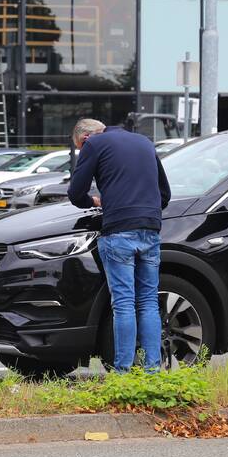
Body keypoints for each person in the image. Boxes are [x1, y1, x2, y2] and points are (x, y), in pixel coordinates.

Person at [67, 118, 171, 372]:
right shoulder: (144, 142)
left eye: (80, 147)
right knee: (148, 302)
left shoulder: (94, 145)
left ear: (86, 138)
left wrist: (95, 201)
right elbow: (164, 194)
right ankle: (153, 371)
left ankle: (123, 373)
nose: (82, 150)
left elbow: (75, 193)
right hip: (150, 228)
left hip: (119, 231)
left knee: (124, 303)